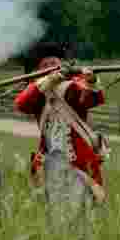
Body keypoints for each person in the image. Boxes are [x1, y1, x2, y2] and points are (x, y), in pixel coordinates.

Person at [14, 42, 106, 224]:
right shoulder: (37, 91)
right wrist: (51, 79)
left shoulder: (73, 85)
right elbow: (22, 103)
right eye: (45, 65)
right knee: (55, 216)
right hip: (49, 163)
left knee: (83, 213)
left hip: (79, 163)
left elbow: (92, 98)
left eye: (54, 63)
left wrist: (92, 81)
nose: (50, 67)